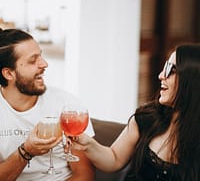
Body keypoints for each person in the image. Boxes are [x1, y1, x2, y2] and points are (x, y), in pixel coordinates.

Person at [71, 44, 200, 180]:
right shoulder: (147, 117)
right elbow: (114, 158)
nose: (161, 75)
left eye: (171, 70)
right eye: (165, 67)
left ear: (192, 80)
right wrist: (88, 145)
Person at [0, 28, 95, 181]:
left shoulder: (67, 105)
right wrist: (26, 151)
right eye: (33, 60)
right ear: (9, 73)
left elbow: (84, 175)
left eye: (41, 56)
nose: (44, 64)